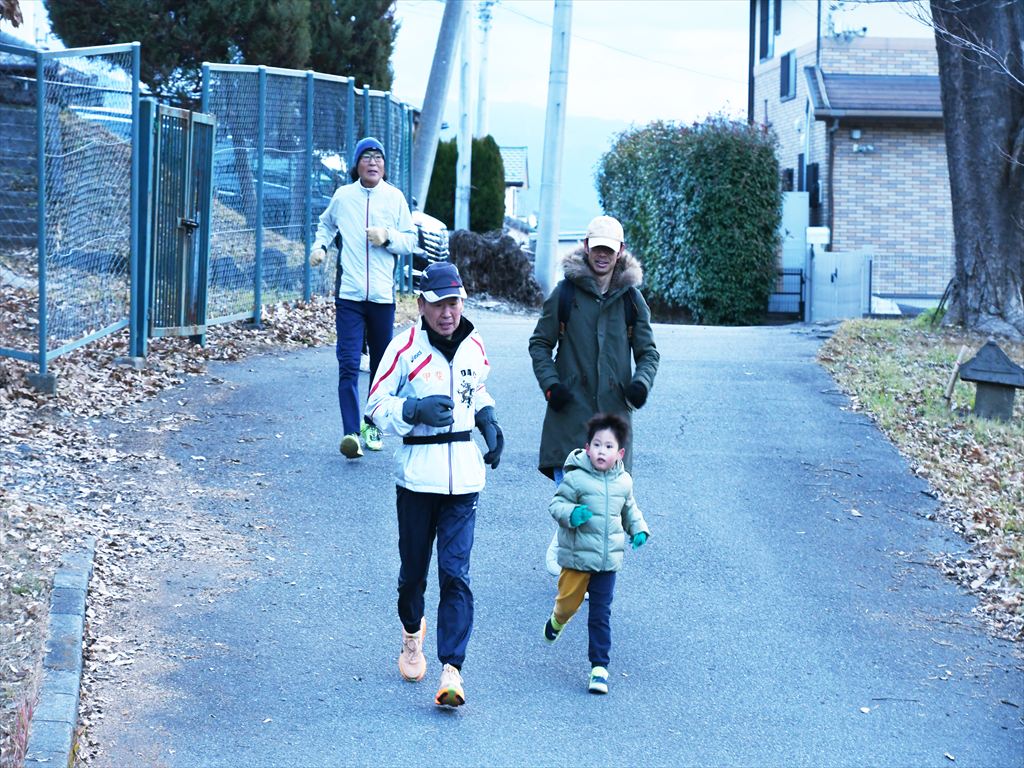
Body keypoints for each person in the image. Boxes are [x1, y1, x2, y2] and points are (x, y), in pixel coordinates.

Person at [364, 261, 504, 709]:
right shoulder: (404, 347)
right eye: (439, 304)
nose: (448, 312)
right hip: (417, 478)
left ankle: (452, 670)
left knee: (456, 574)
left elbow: (476, 389)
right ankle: (411, 633)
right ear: (422, 305)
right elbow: (375, 405)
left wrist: (487, 418)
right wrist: (412, 411)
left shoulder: (474, 344)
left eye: (454, 303)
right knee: (413, 575)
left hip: (464, 477)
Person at [528, 215, 659, 575]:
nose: (602, 255)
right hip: (570, 416)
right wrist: (552, 386)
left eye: (609, 250)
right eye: (597, 248)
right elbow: (540, 344)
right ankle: (572, 569)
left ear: (620, 252)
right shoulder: (565, 294)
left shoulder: (632, 300)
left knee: (604, 505)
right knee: (575, 495)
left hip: (613, 421)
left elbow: (648, 353)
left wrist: (640, 385)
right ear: (586, 247)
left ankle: (577, 568)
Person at [311, 136, 417, 459]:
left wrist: (388, 237)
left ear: (384, 166)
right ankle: (351, 434)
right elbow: (326, 224)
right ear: (356, 165)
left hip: (382, 298)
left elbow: (410, 240)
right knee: (348, 362)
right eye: (366, 157)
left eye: (378, 157)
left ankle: (372, 424)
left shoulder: (395, 198)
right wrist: (320, 246)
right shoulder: (343, 197)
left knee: (381, 367)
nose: (373, 162)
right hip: (350, 296)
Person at [543, 412, 650, 694]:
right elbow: (556, 505)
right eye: (597, 445)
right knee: (568, 605)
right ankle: (557, 620)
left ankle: (599, 668)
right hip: (577, 559)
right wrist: (572, 514)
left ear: (620, 453)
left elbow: (630, 509)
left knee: (601, 614)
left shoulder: (623, 482)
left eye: (609, 446)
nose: (602, 451)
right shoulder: (576, 478)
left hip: (607, 561)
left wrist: (638, 529)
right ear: (587, 448)